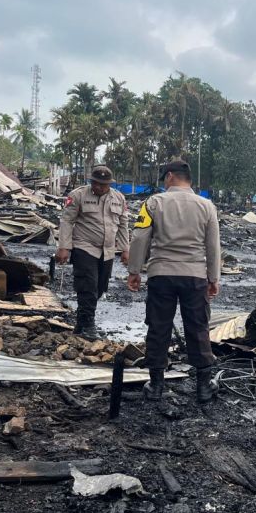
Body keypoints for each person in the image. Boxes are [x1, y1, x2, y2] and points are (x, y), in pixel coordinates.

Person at [126, 160, 221, 403]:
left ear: (169, 177)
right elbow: (213, 246)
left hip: (161, 274)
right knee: (198, 328)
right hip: (195, 276)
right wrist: (213, 278)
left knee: (159, 327)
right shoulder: (207, 206)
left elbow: (139, 238)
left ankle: (156, 385)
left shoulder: (153, 203)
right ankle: (203, 386)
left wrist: (134, 270)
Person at [56, 165, 129, 339]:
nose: (100, 187)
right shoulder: (78, 195)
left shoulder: (119, 198)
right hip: (84, 246)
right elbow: (67, 220)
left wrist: (126, 249)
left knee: (100, 287)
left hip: (108, 250)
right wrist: (64, 247)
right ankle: (89, 324)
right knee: (87, 285)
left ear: (110, 184)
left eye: (104, 184)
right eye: (96, 183)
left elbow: (123, 224)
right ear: (91, 181)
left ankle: (81, 322)